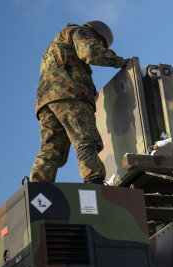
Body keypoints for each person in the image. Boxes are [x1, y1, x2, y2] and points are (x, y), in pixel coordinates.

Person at [30, 21, 127, 184]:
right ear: (97, 34)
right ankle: (94, 181)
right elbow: (90, 52)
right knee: (85, 138)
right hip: (70, 96)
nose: (101, 46)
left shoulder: (56, 44)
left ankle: (37, 188)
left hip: (46, 102)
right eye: (102, 44)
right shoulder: (79, 31)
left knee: (51, 150)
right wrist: (120, 61)